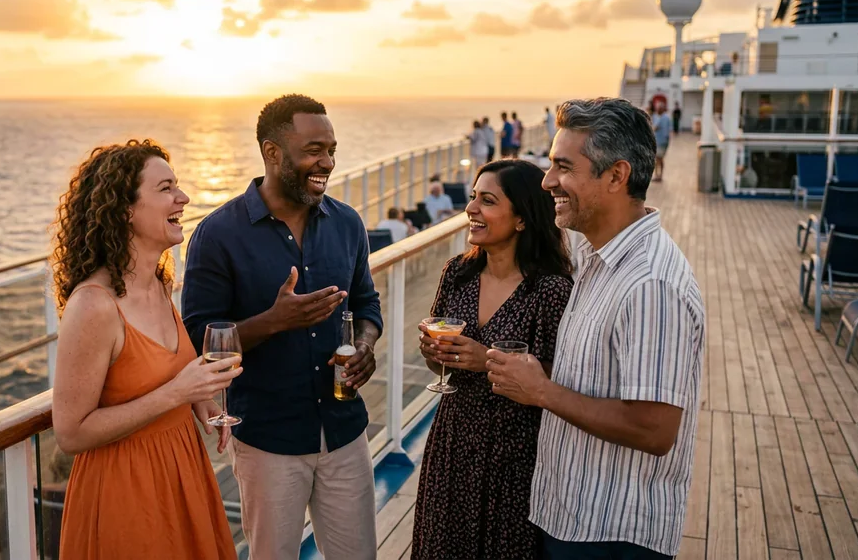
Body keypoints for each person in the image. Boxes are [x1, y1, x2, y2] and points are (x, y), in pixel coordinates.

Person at [485, 98, 706, 559]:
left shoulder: (651, 284)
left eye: (563, 167)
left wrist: (541, 391)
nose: (547, 181)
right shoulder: (592, 255)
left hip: (610, 532)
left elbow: (654, 430)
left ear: (616, 176)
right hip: (573, 514)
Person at [182, 94, 384, 560]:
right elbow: (199, 342)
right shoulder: (217, 235)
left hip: (345, 433)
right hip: (268, 443)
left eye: (332, 149)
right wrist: (273, 322)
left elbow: (367, 305)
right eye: (314, 149)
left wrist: (365, 345)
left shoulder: (347, 224)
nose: (327, 162)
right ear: (272, 152)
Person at [51, 140, 240, 560]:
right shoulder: (94, 306)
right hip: (126, 491)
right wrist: (177, 394)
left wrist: (203, 401)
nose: (183, 197)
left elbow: (169, 369)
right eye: (166, 188)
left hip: (183, 473)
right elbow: (70, 432)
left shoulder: (159, 283)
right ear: (125, 211)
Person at [411, 159, 573, 559]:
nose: (471, 209)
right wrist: (435, 354)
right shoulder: (457, 274)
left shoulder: (550, 290)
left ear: (521, 218)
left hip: (515, 456)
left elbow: (561, 378)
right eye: (472, 198)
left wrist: (488, 359)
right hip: (452, 442)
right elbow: (440, 365)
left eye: (487, 201)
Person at [652, 101, 672, 181]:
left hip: (661, 141)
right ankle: (658, 175)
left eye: (659, 108)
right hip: (659, 141)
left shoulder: (664, 118)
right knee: (658, 159)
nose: (657, 109)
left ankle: (659, 176)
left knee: (659, 159)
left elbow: (655, 128)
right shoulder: (658, 117)